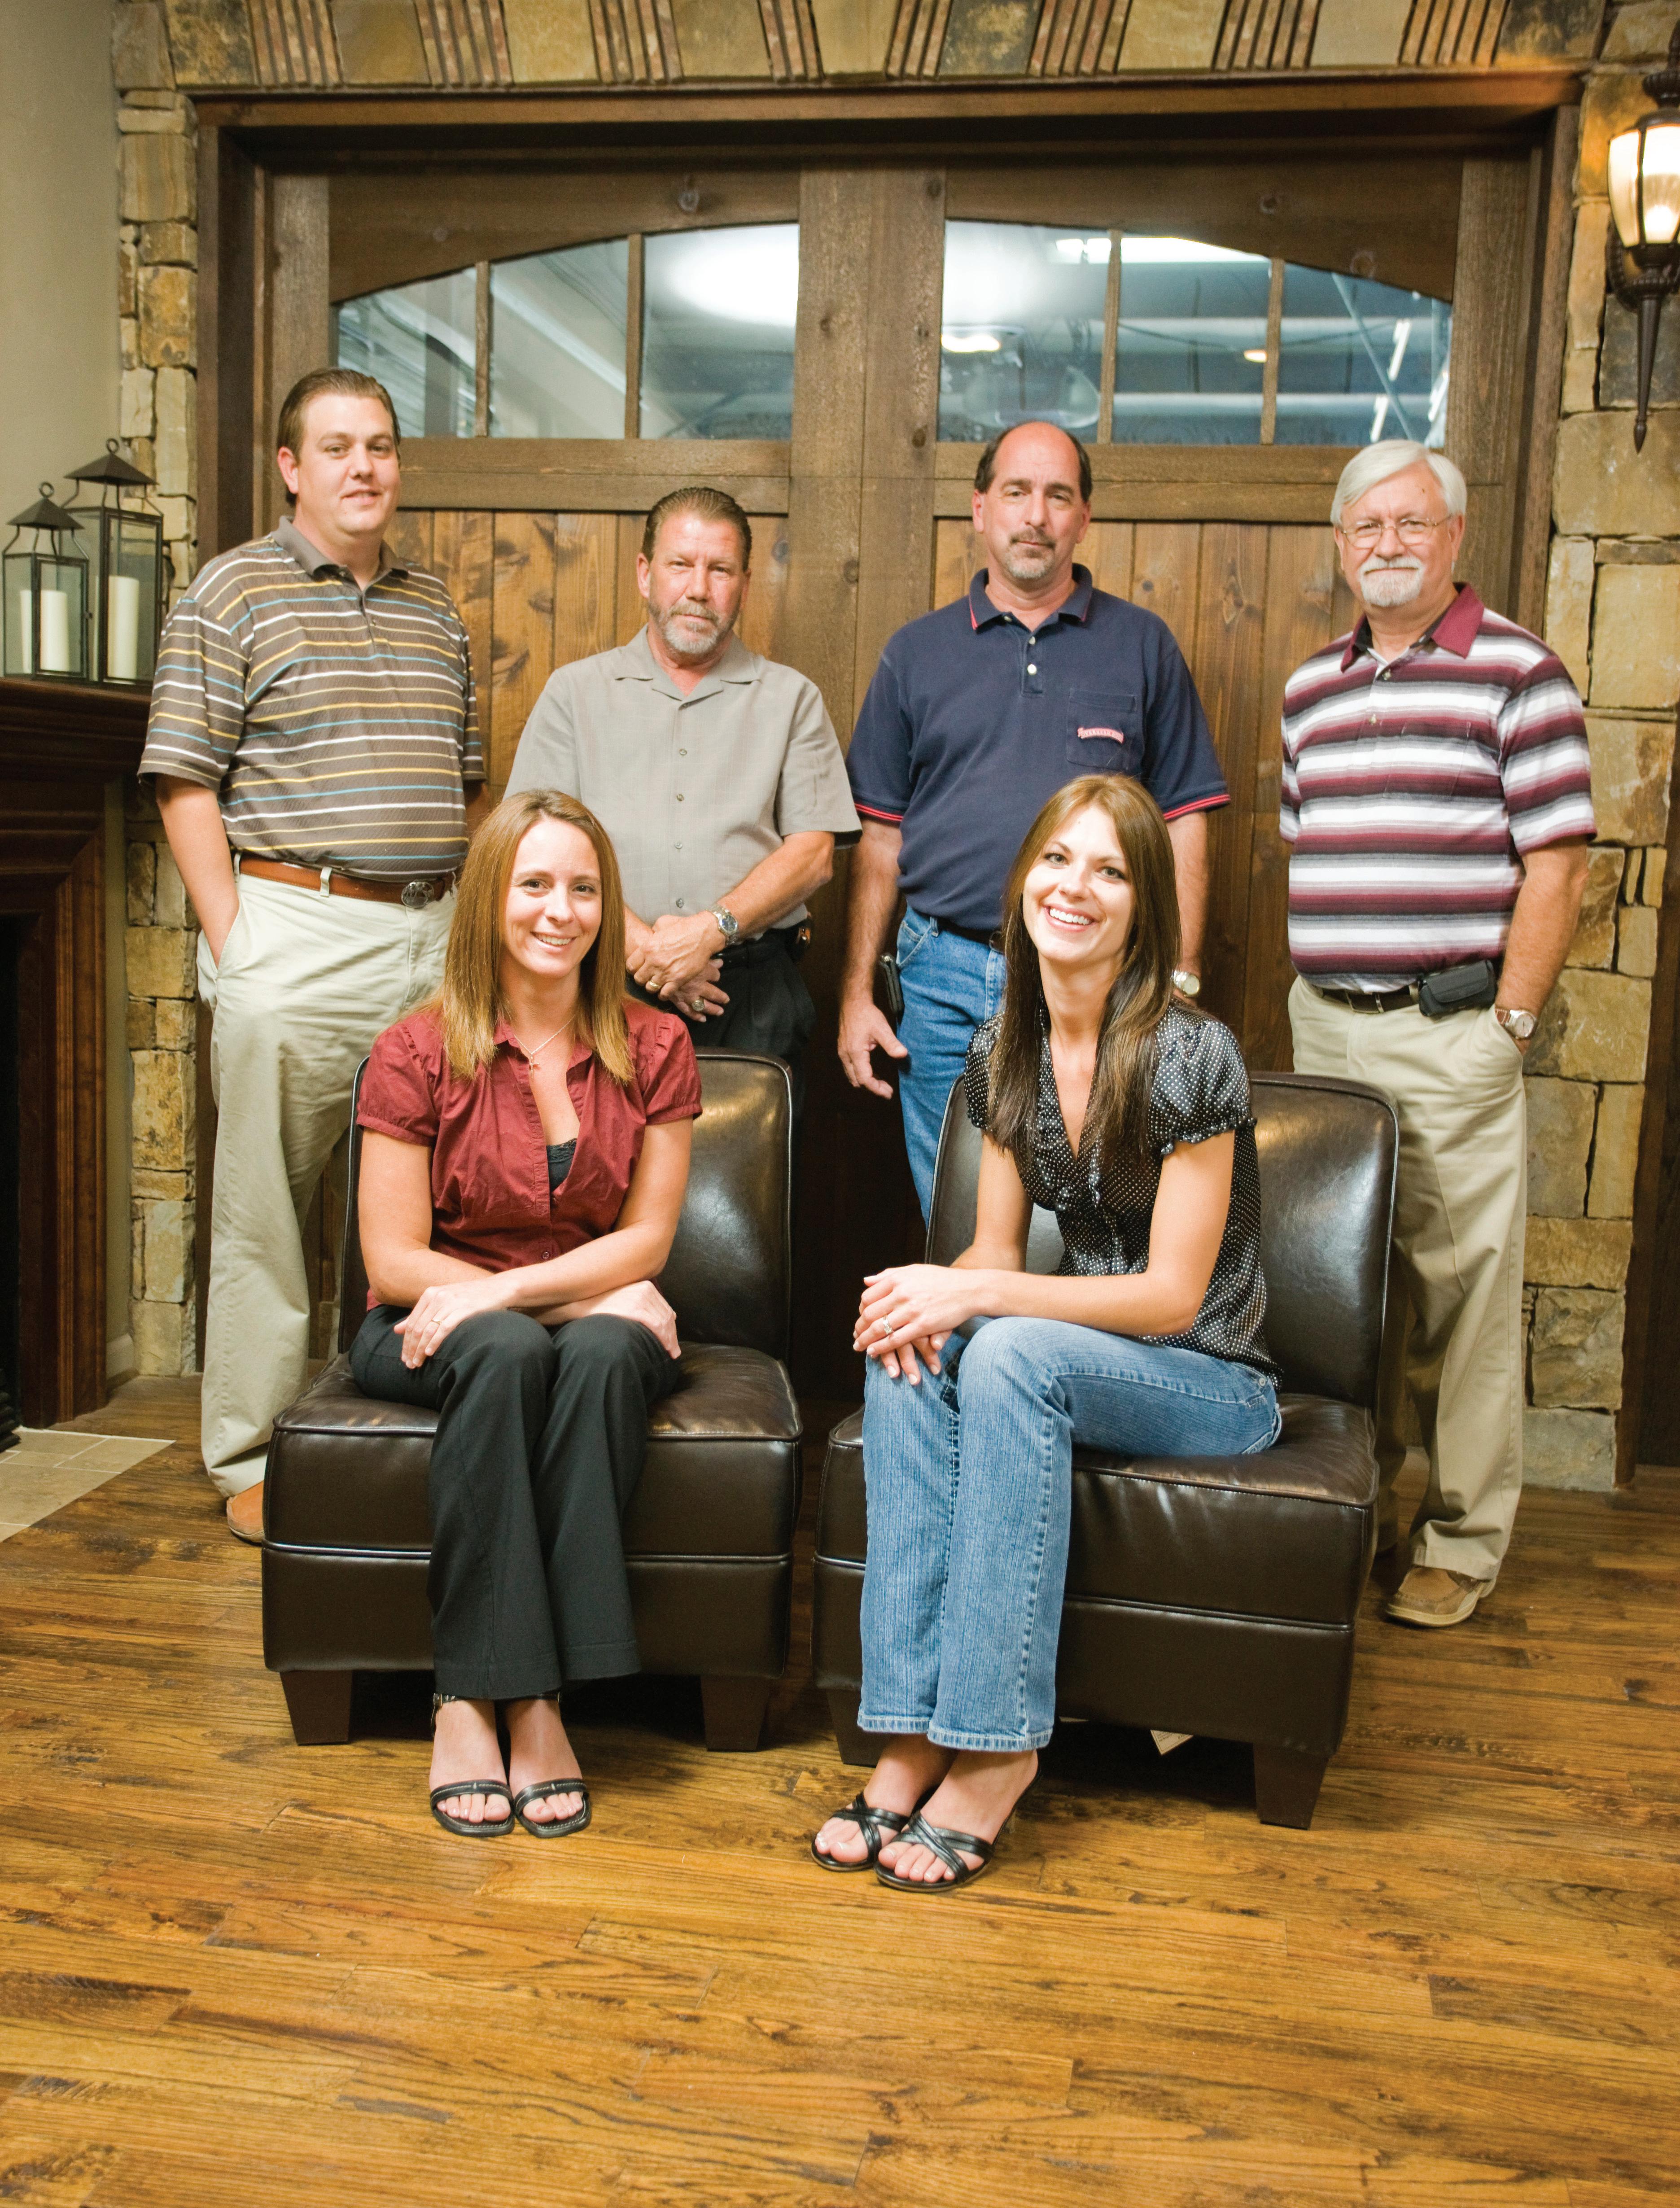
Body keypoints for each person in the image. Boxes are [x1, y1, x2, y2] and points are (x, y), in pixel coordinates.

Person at [811, 775, 1279, 1891]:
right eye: (1058, 860)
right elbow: (993, 1254)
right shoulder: (1003, 1049)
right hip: (1078, 1358)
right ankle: (910, 1730)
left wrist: (978, 1298)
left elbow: (1173, 1298)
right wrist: (927, 1292)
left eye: (1110, 870)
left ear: (1144, 906)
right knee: (908, 1343)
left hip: (1210, 1378)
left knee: (1007, 1347)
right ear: (1025, 879)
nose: (1076, 887)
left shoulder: (1191, 1051)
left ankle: (997, 1748)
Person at [140, 367, 485, 1540]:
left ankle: (400, 1436)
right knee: (268, 1211)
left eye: (379, 445)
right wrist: (237, 943)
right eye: (336, 447)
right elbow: (185, 780)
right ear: (292, 467)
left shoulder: (436, 609)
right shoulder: (231, 591)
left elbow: (467, 785)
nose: (363, 467)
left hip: (433, 937)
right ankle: (251, 1456)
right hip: (295, 927)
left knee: (429, 1201)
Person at [1282, 440, 1593, 1630]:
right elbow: (1313, 847)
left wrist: (1510, 1025)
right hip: (1326, 1030)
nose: (1388, 545)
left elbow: (1558, 868)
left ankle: (1460, 1538)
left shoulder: (1521, 673)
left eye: (1412, 523)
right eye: (1366, 526)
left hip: (1451, 1029)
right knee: (1338, 1287)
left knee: (1461, 1296)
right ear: (1341, 543)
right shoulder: (1311, 688)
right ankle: (1350, 1508)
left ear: (1455, 536)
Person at [351, 790, 701, 1837]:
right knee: (506, 1349)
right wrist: (559, 1295)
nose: (562, 910)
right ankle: (470, 1694)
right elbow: (393, 1261)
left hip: (573, 1317)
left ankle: (542, 1697)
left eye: (585, 888)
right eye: (535, 883)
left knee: (602, 1353)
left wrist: (514, 1292)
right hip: (425, 1321)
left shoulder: (658, 1044)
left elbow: (648, 1243)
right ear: (488, 901)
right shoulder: (415, 1050)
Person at [838, 419, 1228, 1218]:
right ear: (981, 508)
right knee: (956, 1212)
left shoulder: (1143, 646)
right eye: (1016, 492)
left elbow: (1186, 819)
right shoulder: (915, 654)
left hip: (1097, 979)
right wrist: (855, 993)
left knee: (1084, 1217)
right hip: (941, 979)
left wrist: (1180, 981)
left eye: (1058, 495)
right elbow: (880, 837)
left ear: (1084, 517)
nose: (1036, 515)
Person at [506, 486, 859, 1113]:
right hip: (597, 983)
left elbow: (813, 856)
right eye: (680, 565)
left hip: (749, 995)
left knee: (746, 1174)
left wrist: (707, 932)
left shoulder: (791, 698)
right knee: (592, 1169)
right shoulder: (574, 693)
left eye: (720, 570)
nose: (699, 588)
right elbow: (529, 845)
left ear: (744, 584)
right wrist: (648, 951)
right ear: (645, 573)